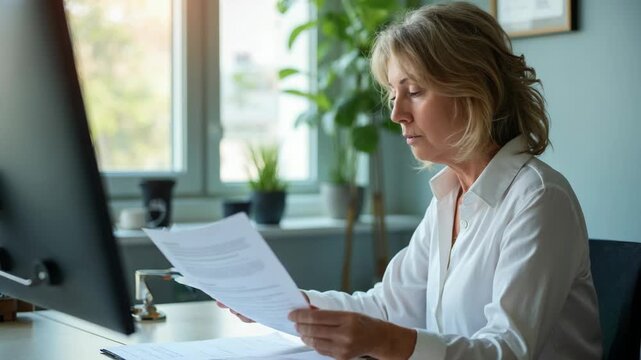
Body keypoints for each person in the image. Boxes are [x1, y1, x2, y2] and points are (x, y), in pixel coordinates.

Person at [223, 2, 602, 359]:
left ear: (473, 90)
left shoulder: (538, 198)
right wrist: (278, 302)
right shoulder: (448, 195)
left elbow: (507, 350)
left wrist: (386, 340)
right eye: (393, 94)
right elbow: (387, 307)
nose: (397, 114)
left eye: (415, 91)